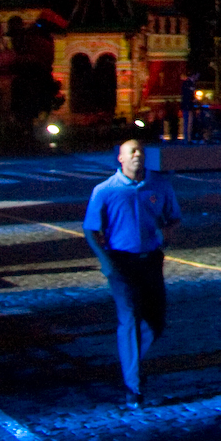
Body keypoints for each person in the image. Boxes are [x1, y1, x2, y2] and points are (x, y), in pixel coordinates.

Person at [82, 137, 181, 411]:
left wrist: (167, 235)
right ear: (121, 159)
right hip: (121, 263)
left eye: (140, 151)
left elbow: (174, 217)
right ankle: (133, 387)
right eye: (131, 151)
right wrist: (104, 260)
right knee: (129, 320)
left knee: (156, 320)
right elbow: (91, 229)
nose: (138, 155)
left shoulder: (159, 185)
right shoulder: (104, 190)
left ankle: (131, 361)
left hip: (150, 260)